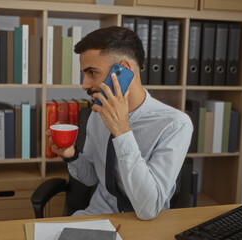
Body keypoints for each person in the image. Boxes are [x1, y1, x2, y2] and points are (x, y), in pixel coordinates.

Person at [46, 26, 193, 220]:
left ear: (123, 69)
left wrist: (122, 131)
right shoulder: (97, 115)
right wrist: (71, 156)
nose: (84, 85)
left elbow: (148, 209)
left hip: (145, 226)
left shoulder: (175, 124)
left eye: (92, 73)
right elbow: (91, 178)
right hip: (97, 216)